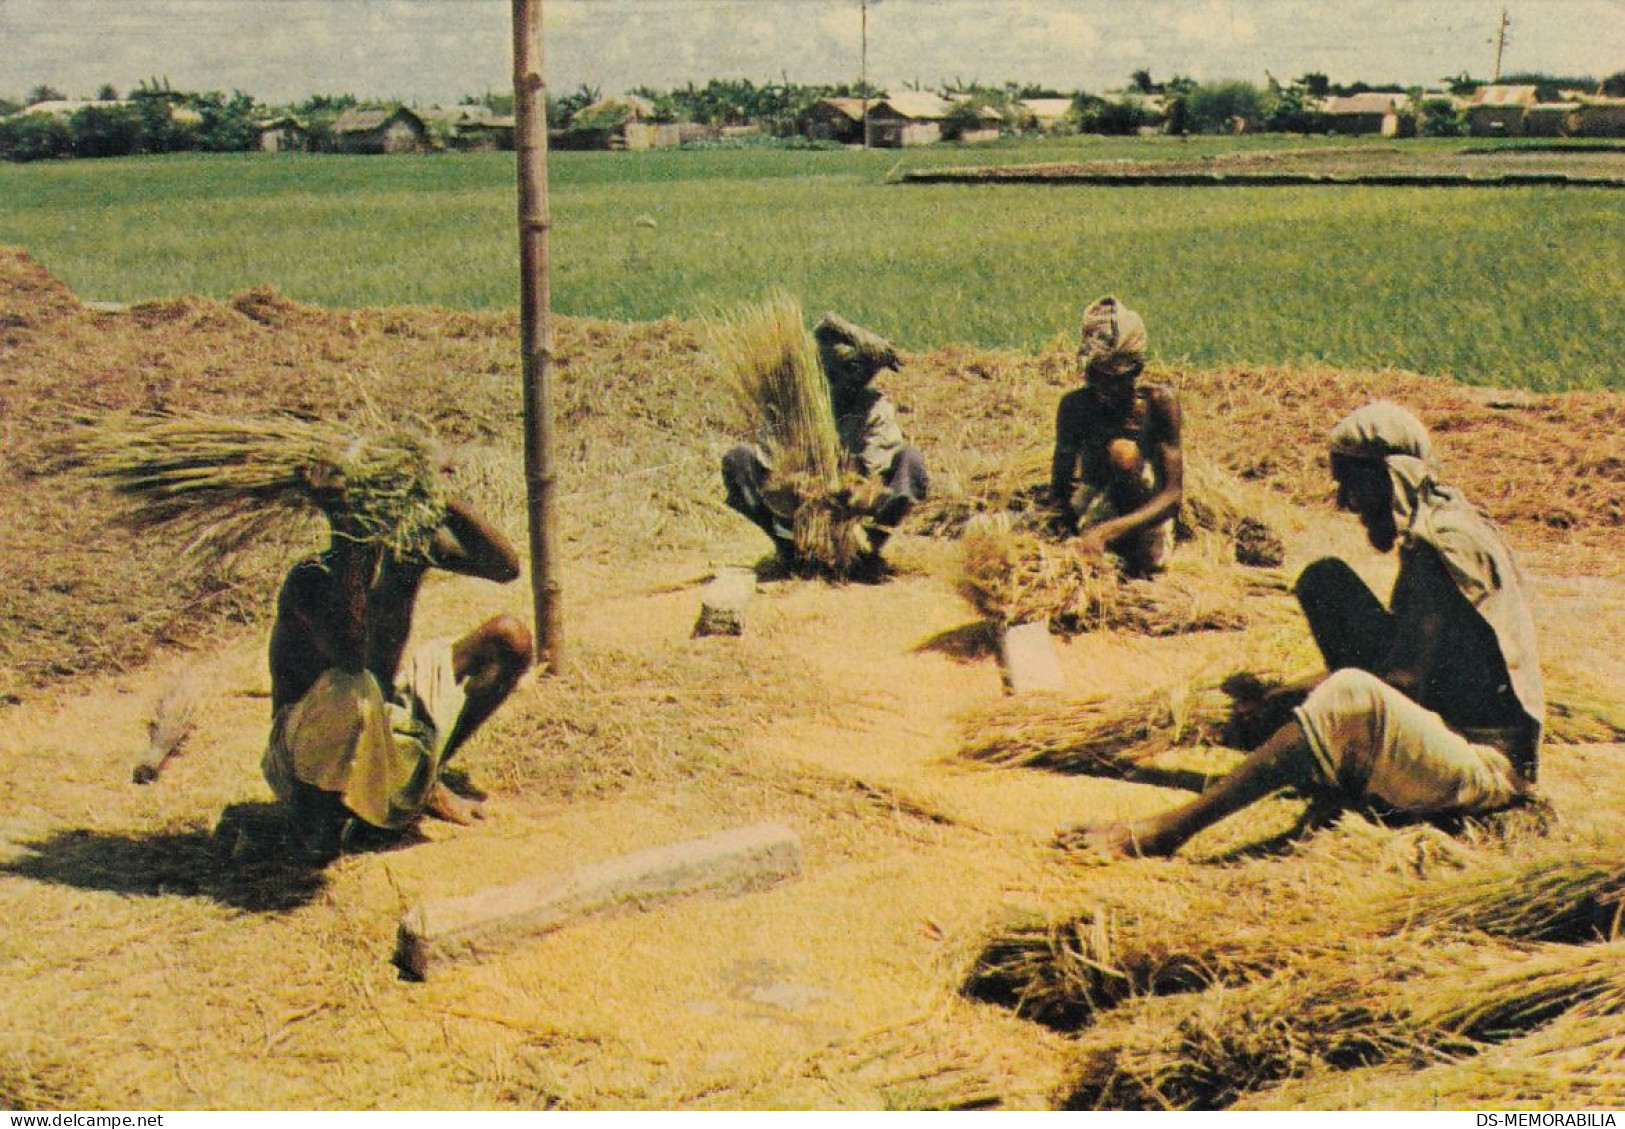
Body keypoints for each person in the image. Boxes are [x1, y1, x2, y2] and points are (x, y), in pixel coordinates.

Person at [1062, 401, 1545, 859]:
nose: (1342, 500)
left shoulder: (1440, 545)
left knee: (1349, 695)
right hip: (1441, 722)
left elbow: (1399, 684)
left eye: (1350, 484)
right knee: (1325, 581)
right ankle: (1324, 746)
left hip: (1483, 770)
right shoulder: (1436, 519)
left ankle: (1165, 832)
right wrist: (1288, 697)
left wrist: (1291, 700)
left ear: (1387, 475)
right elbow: (1414, 658)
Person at [263, 479, 533, 862]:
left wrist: (444, 497)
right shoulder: (311, 580)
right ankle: (316, 820)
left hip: (379, 720)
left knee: (509, 639)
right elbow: (351, 655)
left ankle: (424, 783)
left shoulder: (404, 555)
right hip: (304, 752)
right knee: (351, 688)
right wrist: (350, 545)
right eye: (362, 522)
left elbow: (506, 567)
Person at [721, 311, 929, 571]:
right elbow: (773, 467)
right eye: (836, 374)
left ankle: (865, 552)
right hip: (797, 511)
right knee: (737, 460)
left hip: (854, 515)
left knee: (911, 461)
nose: (846, 382)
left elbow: (870, 478)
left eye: (855, 374)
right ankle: (788, 549)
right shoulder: (793, 404)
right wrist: (801, 488)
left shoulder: (873, 407)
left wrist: (838, 488)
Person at [1050, 296, 1184, 577]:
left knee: (1124, 452)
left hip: (1144, 511)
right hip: (1094, 501)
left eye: (1117, 378)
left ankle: (1135, 553)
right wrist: (1063, 530)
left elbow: (1172, 496)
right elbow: (1060, 488)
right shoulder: (1074, 407)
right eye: (1099, 375)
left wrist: (1105, 533)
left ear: (1136, 370)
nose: (1106, 388)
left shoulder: (1159, 404)